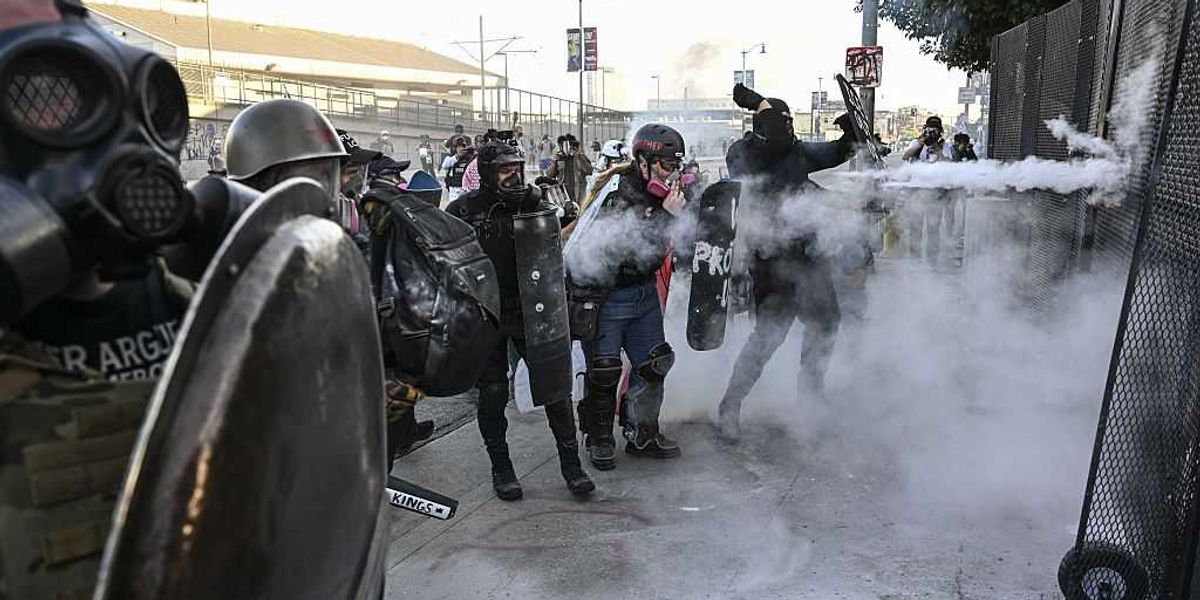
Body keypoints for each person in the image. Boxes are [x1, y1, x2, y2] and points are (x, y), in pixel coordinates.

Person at [446, 142, 595, 500]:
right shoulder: (463, 210)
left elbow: (554, 251)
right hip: (488, 315)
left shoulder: (534, 202)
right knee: (494, 393)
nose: (513, 175)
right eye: (503, 169)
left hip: (533, 310)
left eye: (517, 166)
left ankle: (572, 467)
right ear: (485, 173)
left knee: (556, 389)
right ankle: (502, 468)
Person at [715, 83, 856, 442]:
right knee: (768, 337)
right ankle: (730, 405)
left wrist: (851, 130)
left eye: (791, 124)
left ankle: (810, 397)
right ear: (763, 125)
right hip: (772, 263)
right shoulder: (742, 153)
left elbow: (839, 151)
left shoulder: (798, 151)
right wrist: (761, 104)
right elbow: (774, 141)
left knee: (826, 324)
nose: (789, 131)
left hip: (809, 260)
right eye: (782, 123)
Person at [566, 124, 689, 469]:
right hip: (608, 296)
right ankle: (599, 437)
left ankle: (642, 432)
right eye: (666, 165)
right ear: (643, 161)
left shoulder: (659, 195)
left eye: (674, 165)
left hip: (643, 293)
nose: (671, 173)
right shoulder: (618, 196)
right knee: (604, 371)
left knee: (654, 364)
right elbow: (630, 252)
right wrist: (666, 216)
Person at [546, 133, 594, 204]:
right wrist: (555, 162)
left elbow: (590, 171)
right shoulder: (559, 158)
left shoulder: (580, 157)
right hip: (563, 197)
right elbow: (549, 175)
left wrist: (579, 158)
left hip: (579, 196)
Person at [441, 134, 473, 203]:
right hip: (454, 190)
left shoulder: (469, 158)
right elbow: (444, 165)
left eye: (462, 146)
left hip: (465, 189)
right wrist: (457, 156)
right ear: (454, 148)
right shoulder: (450, 158)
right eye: (458, 146)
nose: (460, 148)